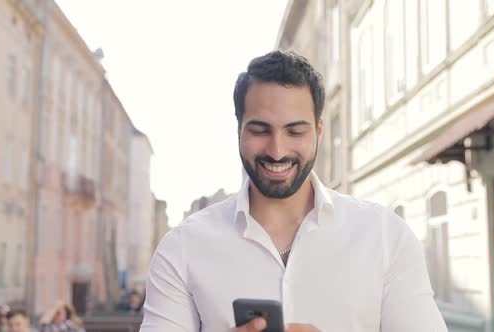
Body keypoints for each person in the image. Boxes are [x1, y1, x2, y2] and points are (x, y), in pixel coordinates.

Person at [140, 51, 448, 331]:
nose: (277, 151)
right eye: (260, 131)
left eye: (295, 131)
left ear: (318, 131)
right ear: (239, 130)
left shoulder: (386, 236)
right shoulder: (182, 248)